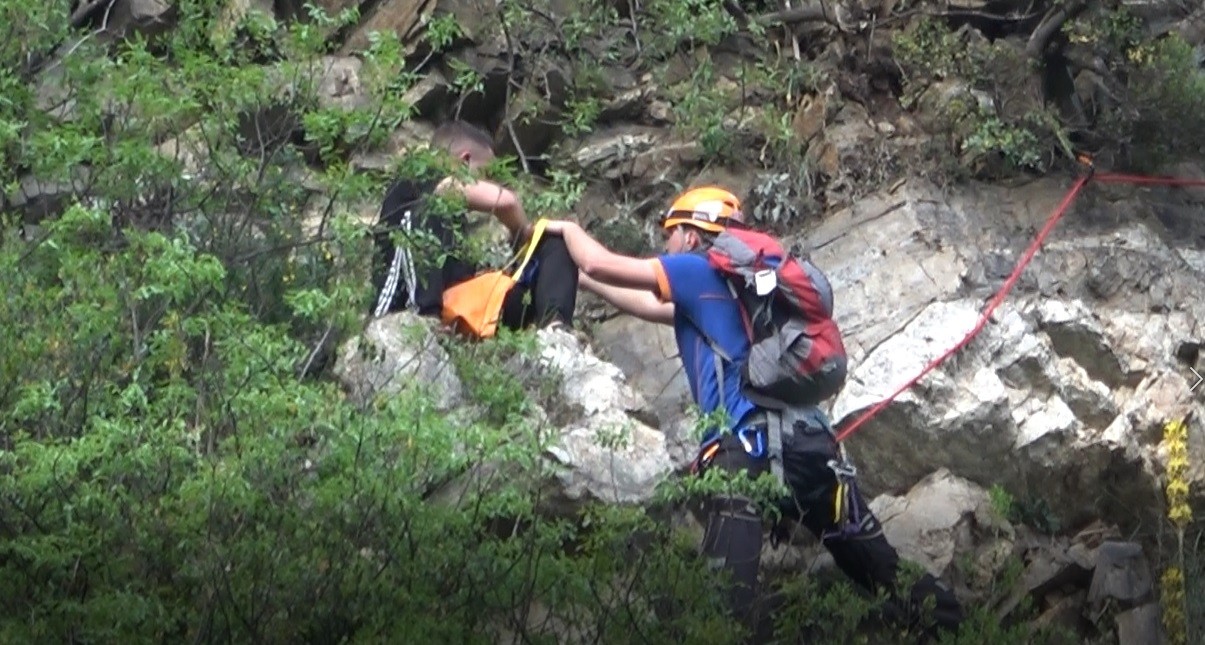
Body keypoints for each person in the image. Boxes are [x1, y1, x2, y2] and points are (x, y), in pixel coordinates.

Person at [541, 187, 964, 641]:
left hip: (745, 451)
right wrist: (582, 281)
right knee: (879, 567)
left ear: (690, 235)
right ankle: (959, 629)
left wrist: (564, 230)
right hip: (813, 448)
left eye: (670, 234)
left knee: (724, 600)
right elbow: (641, 301)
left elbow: (599, 262)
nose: (666, 243)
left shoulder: (694, 269)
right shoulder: (743, 291)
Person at [370, 120, 578, 330]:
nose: (486, 182)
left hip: (457, 308)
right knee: (429, 210)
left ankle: (556, 327)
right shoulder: (423, 176)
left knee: (552, 245)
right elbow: (506, 202)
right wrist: (524, 234)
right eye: (484, 174)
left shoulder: (453, 224)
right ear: (464, 162)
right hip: (401, 311)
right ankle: (426, 315)